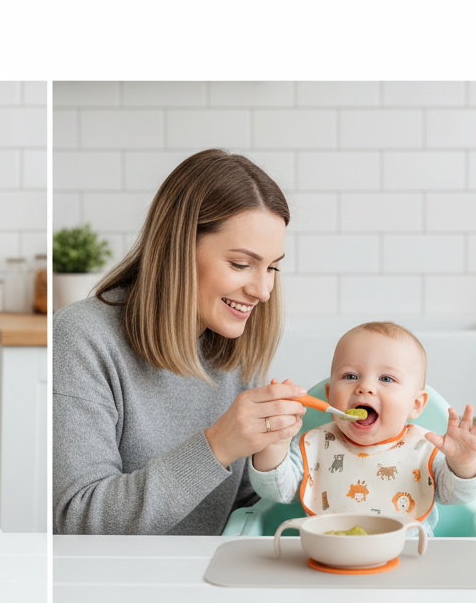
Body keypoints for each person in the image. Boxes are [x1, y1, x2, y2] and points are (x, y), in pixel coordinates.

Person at [53, 149, 307, 535]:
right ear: (178, 249)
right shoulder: (84, 337)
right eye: (241, 264)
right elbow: (78, 521)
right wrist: (217, 445)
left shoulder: (233, 344)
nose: (263, 290)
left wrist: (272, 459)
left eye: (272, 267)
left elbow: (245, 515)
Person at [248, 322, 476, 532]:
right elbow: (275, 492)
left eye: (386, 379)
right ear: (330, 395)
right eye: (350, 376)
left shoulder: (423, 448)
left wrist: (463, 462)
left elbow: (459, 495)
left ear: (415, 405)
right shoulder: (317, 444)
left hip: (405, 564)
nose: (365, 387)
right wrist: (275, 443)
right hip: (329, 560)